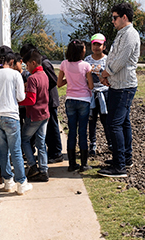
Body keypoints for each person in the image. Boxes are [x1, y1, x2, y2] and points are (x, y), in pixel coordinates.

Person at [97, 2, 140, 178]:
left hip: (124, 87)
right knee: (123, 123)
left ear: (124, 17)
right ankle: (124, 158)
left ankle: (119, 165)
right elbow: (114, 58)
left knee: (114, 123)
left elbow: (120, 60)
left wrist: (105, 74)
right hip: (118, 84)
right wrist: (107, 76)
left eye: (115, 17)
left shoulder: (130, 35)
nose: (113, 21)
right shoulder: (122, 34)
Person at [0, 48, 32, 195]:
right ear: (12, 61)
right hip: (11, 116)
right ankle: (21, 183)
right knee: (16, 150)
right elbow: (20, 97)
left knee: (2, 150)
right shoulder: (15, 75)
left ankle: (8, 181)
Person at [20, 44, 64, 164]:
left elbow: (54, 80)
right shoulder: (39, 66)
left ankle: (56, 153)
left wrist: (37, 87)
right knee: (44, 133)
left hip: (49, 99)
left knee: (53, 127)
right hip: (43, 100)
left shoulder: (44, 64)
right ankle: (49, 155)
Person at [57, 39, 94, 172]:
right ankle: (84, 164)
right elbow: (90, 85)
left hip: (70, 100)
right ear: (81, 51)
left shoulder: (64, 64)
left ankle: (72, 164)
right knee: (82, 132)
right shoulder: (86, 66)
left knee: (72, 132)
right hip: (84, 100)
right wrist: (82, 79)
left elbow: (59, 83)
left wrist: (70, 79)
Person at [19, 49, 50, 182]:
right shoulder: (44, 75)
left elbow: (31, 100)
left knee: (24, 140)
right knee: (41, 143)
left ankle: (32, 166)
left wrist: (18, 101)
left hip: (34, 115)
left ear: (33, 63)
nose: (27, 67)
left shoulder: (32, 78)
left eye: (27, 64)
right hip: (45, 114)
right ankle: (44, 170)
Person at [84, 33, 112, 155]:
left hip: (104, 93)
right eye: (94, 44)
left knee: (106, 119)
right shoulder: (87, 60)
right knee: (92, 119)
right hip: (91, 94)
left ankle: (110, 143)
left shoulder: (108, 60)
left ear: (104, 47)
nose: (96, 47)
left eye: (99, 45)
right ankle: (92, 144)